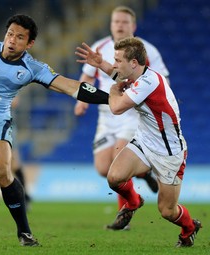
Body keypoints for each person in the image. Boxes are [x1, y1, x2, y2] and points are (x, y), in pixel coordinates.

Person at [0, 14, 109, 247]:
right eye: (10, 34)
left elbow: (69, 86)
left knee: (2, 172)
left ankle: (24, 232)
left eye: (20, 37)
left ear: (29, 43)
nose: (12, 40)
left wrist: (110, 99)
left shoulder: (32, 67)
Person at [76, 37, 201, 247]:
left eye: (117, 60)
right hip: (144, 142)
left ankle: (189, 227)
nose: (114, 64)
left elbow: (116, 108)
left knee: (167, 211)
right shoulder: (141, 76)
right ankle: (134, 201)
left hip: (168, 153)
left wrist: (114, 90)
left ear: (133, 63)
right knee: (114, 177)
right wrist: (101, 64)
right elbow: (119, 76)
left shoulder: (148, 83)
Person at [73, 6, 162, 229]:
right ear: (111, 24)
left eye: (124, 22)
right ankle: (144, 171)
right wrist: (81, 100)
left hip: (132, 113)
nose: (120, 25)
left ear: (133, 26)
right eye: (116, 22)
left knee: (118, 161)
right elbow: (88, 76)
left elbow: (162, 79)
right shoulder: (100, 47)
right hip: (107, 113)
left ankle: (125, 214)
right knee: (103, 168)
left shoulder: (147, 50)